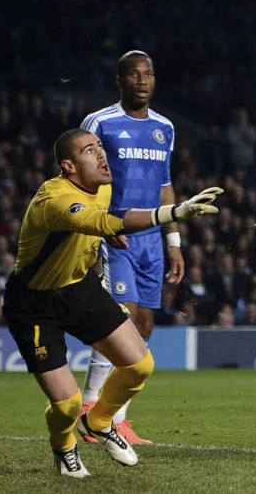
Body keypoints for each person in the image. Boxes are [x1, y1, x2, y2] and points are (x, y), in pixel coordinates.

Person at [4, 128, 220, 477]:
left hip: (81, 289)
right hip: (35, 304)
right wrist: (174, 213)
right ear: (68, 166)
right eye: (89, 151)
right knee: (67, 403)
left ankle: (99, 421)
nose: (101, 153)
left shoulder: (103, 187)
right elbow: (97, 219)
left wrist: (108, 234)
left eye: (100, 146)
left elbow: (105, 219)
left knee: (139, 366)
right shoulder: (54, 199)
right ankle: (64, 446)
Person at [78, 51, 180, 445]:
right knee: (121, 321)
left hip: (151, 240)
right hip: (114, 234)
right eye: (134, 74)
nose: (142, 81)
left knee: (144, 326)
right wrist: (97, 226)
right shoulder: (100, 122)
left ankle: (116, 418)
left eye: (148, 74)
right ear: (120, 80)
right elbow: (78, 179)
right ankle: (90, 406)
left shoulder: (164, 128)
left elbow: (165, 187)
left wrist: (174, 242)